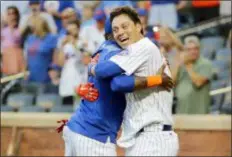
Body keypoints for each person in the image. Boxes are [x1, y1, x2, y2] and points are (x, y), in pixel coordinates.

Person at [60, 17, 173, 156]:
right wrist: (158, 79)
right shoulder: (117, 52)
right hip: (95, 135)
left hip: (78, 127)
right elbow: (118, 83)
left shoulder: (102, 49)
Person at [87, 7, 178, 156]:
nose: (120, 32)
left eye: (125, 26)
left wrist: (91, 67)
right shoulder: (135, 52)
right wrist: (157, 79)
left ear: (138, 26)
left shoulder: (142, 47)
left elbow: (114, 81)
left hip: (152, 138)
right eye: (115, 29)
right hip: (146, 137)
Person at [172, 35, 213, 114]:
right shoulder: (181, 65)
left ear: (199, 49)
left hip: (199, 113)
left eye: (195, 49)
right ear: (185, 51)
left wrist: (187, 65)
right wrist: (177, 64)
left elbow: (198, 83)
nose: (193, 51)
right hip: (181, 111)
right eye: (189, 49)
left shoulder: (205, 64)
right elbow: (172, 84)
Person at [58, 20, 94, 105]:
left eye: (73, 30)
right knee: (67, 107)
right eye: (69, 32)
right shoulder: (65, 45)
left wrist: (74, 44)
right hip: (67, 80)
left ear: (78, 29)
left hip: (81, 79)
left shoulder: (85, 42)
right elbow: (60, 63)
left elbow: (86, 60)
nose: (71, 33)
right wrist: (62, 47)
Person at [24, 16, 58, 83]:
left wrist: (54, 70)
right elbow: (27, 56)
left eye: (34, 25)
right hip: (31, 75)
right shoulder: (30, 38)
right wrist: (25, 70)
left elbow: (55, 57)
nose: (32, 28)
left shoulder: (51, 38)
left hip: (45, 75)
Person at [1, 6, 26, 75]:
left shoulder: (20, 29)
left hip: (17, 56)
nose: (12, 16)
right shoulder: (3, 30)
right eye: (9, 14)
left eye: (13, 13)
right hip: (6, 56)